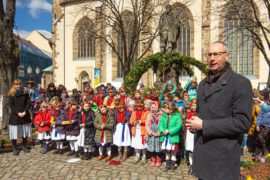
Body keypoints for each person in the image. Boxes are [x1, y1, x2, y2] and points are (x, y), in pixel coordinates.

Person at [186, 41, 252, 180]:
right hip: (203, 157)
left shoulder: (240, 83)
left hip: (223, 161)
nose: (212, 58)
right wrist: (193, 125)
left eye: (216, 54)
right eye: (209, 54)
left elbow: (243, 122)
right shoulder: (203, 84)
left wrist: (204, 125)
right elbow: (200, 114)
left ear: (227, 56)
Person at [8, 79, 32, 155]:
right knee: (14, 132)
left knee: (24, 131)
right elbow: (11, 105)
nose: (18, 86)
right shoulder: (11, 93)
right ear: (13, 85)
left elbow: (28, 103)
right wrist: (18, 113)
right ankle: (14, 147)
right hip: (15, 115)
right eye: (16, 84)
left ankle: (24, 146)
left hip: (25, 113)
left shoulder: (25, 92)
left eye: (19, 84)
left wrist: (25, 111)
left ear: (21, 84)